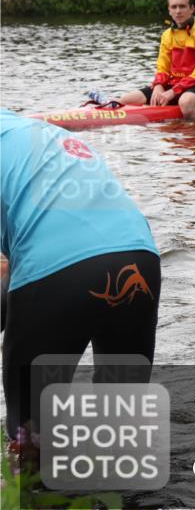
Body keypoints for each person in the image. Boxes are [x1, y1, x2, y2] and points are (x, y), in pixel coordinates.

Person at [0, 109, 160, 439]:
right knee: (121, 433)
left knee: (29, 438)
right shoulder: (34, 130)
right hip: (139, 257)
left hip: (57, 269)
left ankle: (28, 481)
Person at [117, 0, 195, 120]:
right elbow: (162, 67)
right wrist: (158, 86)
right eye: (174, 7)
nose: (178, 11)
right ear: (169, 10)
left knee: (185, 103)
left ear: (191, 9)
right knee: (125, 100)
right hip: (174, 86)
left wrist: (172, 92)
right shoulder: (167, 35)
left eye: (182, 6)